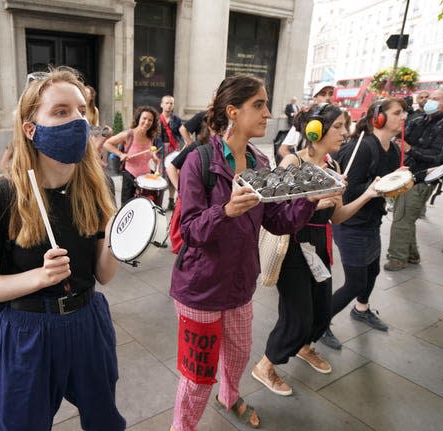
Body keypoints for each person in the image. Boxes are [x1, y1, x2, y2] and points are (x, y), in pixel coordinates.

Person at [169, 74, 341, 431]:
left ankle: (230, 397)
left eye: (266, 104)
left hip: (240, 285)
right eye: (258, 105)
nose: (267, 113)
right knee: (198, 376)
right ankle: (181, 427)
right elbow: (190, 231)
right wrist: (226, 211)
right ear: (233, 111)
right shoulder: (199, 162)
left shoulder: (262, 164)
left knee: (237, 356)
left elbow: (277, 221)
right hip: (200, 290)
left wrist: (308, 200)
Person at [0, 67, 125, 431]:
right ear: (29, 128)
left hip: (87, 321)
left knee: (104, 420)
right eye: (61, 111)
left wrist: (121, 239)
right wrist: (38, 277)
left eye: (82, 110)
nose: (77, 120)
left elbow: (103, 274)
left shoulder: (100, 188)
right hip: (27, 330)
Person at [252, 103, 380, 395]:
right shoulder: (292, 164)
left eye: (345, 127)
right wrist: (313, 202)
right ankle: (265, 365)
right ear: (315, 130)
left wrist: (370, 194)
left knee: (322, 311)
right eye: (338, 127)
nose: (345, 133)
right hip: (294, 246)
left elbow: (337, 217)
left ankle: (305, 348)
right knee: (297, 317)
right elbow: (275, 213)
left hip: (320, 247)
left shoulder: (334, 167)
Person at [319, 98, 406, 350]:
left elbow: (388, 184)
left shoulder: (393, 149)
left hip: (372, 221)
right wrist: (374, 189)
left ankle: (361, 309)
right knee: (355, 282)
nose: (403, 117)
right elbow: (346, 190)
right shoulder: (364, 147)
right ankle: (321, 323)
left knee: (372, 271)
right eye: (397, 113)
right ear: (378, 118)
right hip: (351, 224)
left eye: (404, 113)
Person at [384, 89, 443, 271]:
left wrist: (410, 149)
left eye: (436, 99)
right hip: (405, 174)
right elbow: (402, 137)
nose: (430, 101)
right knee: (405, 216)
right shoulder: (419, 120)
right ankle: (411, 254)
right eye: (430, 98)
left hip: (424, 178)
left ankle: (397, 258)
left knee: (402, 218)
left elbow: (437, 156)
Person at [102, 106, 161, 206]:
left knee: (144, 208)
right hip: (130, 177)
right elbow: (107, 143)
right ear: (139, 119)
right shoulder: (128, 134)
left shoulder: (150, 136)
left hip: (145, 178)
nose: (147, 122)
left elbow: (149, 152)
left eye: (150, 120)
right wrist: (120, 154)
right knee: (128, 208)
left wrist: (154, 156)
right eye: (144, 118)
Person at [277, 82, 336, 161]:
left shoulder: (335, 121)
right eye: (323, 94)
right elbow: (283, 150)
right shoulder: (304, 119)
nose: (328, 97)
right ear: (315, 98)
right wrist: (300, 169)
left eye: (331, 94)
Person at [159, 95, 184, 210]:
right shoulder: (157, 119)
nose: (169, 105)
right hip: (160, 149)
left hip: (174, 149)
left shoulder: (177, 120)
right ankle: (159, 201)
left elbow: (181, 134)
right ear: (162, 104)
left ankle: (171, 200)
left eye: (171, 103)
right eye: (167, 103)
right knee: (161, 175)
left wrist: (182, 148)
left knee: (173, 174)